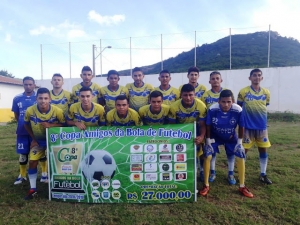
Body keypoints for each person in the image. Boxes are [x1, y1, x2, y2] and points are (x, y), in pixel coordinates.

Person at [199, 89, 253, 198]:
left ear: (232, 101)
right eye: (223, 102)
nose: (226, 104)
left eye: (229, 102)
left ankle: (242, 186)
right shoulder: (213, 109)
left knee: (240, 155)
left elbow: (241, 126)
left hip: (231, 136)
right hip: (215, 136)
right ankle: (206, 185)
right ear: (219, 101)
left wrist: (239, 142)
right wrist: (208, 140)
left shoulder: (238, 109)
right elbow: (208, 125)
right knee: (207, 155)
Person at [24, 88, 65, 200]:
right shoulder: (30, 110)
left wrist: (51, 125)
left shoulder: (57, 111)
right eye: (40, 98)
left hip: (54, 141)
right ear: (36, 99)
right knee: (32, 161)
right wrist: (33, 139)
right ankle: (32, 189)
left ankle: (61, 185)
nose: (43, 101)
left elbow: (64, 125)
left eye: (46, 98)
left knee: (59, 163)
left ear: (50, 99)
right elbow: (26, 124)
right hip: (38, 141)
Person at [237, 68, 272, 184]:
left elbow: (265, 105)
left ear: (261, 78)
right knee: (244, 151)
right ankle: (242, 174)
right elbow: (239, 108)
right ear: (250, 78)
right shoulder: (243, 92)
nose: (257, 77)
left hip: (262, 127)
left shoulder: (266, 92)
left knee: (263, 149)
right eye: (254, 75)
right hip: (247, 127)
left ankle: (263, 174)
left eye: (259, 75)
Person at [11, 77, 44, 185]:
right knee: (23, 153)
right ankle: (22, 175)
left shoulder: (39, 97)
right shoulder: (17, 98)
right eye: (26, 84)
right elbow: (16, 114)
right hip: (22, 131)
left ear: (34, 85)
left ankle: (44, 174)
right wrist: (22, 123)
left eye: (30, 84)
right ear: (23, 85)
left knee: (41, 152)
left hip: (37, 130)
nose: (28, 86)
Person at [200, 71, 228, 183]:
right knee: (212, 149)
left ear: (221, 80)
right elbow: (203, 110)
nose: (215, 80)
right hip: (210, 127)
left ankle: (230, 173)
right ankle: (213, 171)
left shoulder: (226, 93)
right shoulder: (205, 95)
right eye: (213, 78)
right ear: (209, 81)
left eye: (217, 78)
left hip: (225, 126)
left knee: (229, 149)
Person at [168, 84, 207, 154]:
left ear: (194, 94)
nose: (188, 98)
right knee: (180, 151)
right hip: (180, 131)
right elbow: (172, 125)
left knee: (199, 153)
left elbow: (202, 124)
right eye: (185, 95)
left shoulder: (201, 106)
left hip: (196, 130)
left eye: (190, 95)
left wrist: (201, 136)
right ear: (181, 95)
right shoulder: (174, 107)